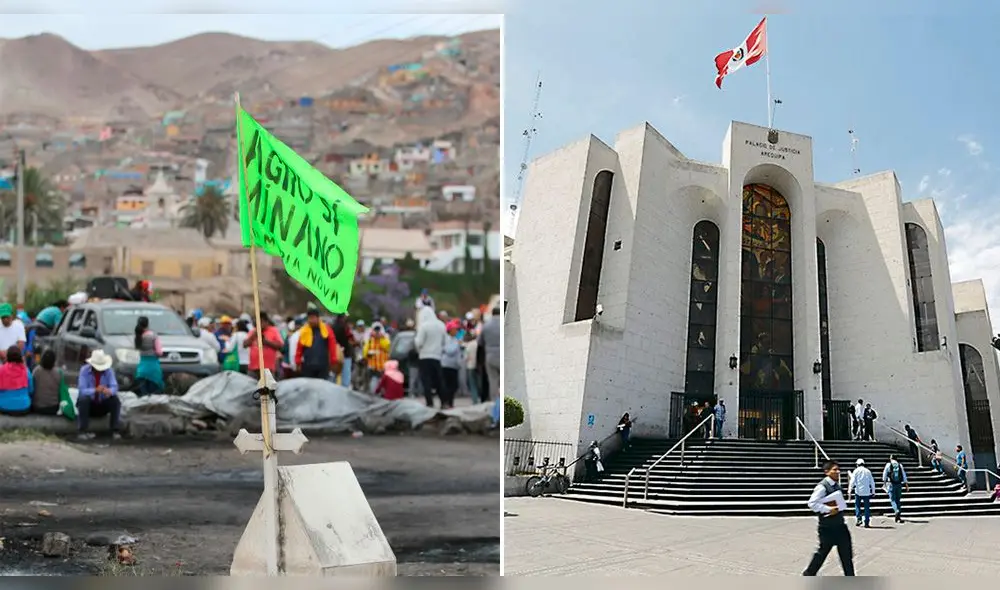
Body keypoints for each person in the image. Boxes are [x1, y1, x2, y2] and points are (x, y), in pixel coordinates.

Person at [803, 460, 855, 576]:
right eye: (834, 470)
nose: (838, 472)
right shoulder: (822, 487)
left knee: (846, 555)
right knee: (821, 554)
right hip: (827, 528)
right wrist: (828, 509)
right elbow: (812, 503)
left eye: (838, 469)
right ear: (826, 471)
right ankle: (808, 574)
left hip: (840, 526)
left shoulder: (836, 485)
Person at [76, 350, 121, 440]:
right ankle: (82, 430)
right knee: (83, 399)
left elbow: (114, 386)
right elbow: (82, 390)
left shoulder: (109, 371)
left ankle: (114, 430)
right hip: (89, 405)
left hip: (102, 403)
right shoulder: (84, 371)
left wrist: (109, 391)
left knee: (115, 400)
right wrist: (95, 390)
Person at [415, 307, 447, 407]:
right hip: (437, 356)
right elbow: (444, 342)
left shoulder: (423, 326)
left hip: (424, 356)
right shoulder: (441, 325)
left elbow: (419, 342)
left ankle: (430, 402)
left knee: (426, 381)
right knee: (439, 380)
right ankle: (443, 401)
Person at [294, 309, 338, 379]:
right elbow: (299, 348)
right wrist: (298, 362)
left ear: (318, 318)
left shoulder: (327, 329)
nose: (311, 320)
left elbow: (332, 346)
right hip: (308, 366)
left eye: (313, 318)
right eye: (310, 318)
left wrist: (333, 361)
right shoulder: (304, 331)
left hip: (323, 366)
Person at [244, 313, 284, 381]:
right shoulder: (253, 331)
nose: (259, 324)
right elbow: (245, 345)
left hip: (268, 369)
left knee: (268, 387)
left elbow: (280, 346)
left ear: (266, 322)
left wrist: (266, 342)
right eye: (257, 322)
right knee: (251, 387)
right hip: (253, 368)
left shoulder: (273, 330)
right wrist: (253, 335)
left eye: (261, 322)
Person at [134, 316, 164, 396]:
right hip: (153, 370)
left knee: (144, 396)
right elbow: (159, 352)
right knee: (154, 396)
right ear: (148, 324)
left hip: (141, 370)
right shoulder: (153, 336)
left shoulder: (138, 336)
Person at [439, 321, 464, 409]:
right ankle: (446, 402)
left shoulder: (455, 340)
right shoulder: (447, 339)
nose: (456, 331)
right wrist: (458, 345)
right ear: (450, 330)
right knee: (448, 385)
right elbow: (450, 350)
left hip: (454, 366)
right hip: (446, 365)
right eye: (454, 329)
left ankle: (450, 402)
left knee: (454, 386)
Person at [0, 346, 32, 415]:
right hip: (24, 407)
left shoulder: (1, 370)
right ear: (20, 356)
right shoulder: (26, 371)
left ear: (7, 356)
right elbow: (31, 390)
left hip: (4, 406)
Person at [478, 306, 501, 402]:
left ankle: (494, 402)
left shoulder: (486, 326)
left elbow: (480, 343)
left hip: (490, 356)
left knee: (493, 380)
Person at [31, 349, 62, 415]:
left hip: (37, 407)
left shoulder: (36, 371)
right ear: (54, 360)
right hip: (53, 408)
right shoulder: (58, 373)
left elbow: (31, 388)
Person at [363, 323, 391, 393]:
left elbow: (387, 347)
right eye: (375, 330)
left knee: (382, 385)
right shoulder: (369, 340)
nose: (377, 332)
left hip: (382, 367)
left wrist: (381, 338)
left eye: (378, 330)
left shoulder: (385, 338)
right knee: (372, 386)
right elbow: (365, 353)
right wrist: (369, 354)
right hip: (372, 367)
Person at [847, 458, 875, 528]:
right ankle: (867, 522)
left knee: (857, 505)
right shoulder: (868, 471)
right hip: (867, 492)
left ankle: (859, 518)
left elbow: (852, 481)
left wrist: (849, 490)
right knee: (867, 507)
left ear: (857, 464)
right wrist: (873, 491)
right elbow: (872, 482)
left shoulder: (856, 471)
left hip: (858, 491)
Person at [882, 455, 909, 523]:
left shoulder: (888, 465)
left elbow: (884, 475)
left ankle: (896, 510)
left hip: (891, 484)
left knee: (893, 499)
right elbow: (904, 475)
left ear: (891, 458)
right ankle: (898, 516)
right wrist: (906, 485)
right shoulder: (900, 465)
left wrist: (884, 483)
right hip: (899, 484)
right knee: (898, 500)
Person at [331, 315, 356, 386]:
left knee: (333, 378)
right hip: (345, 355)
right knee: (345, 380)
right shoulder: (344, 327)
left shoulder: (332, 326)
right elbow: (350, 340)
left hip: (334, 354)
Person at [464, 331, 480, 403]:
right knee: (479, 383)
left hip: (470, 366)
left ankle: (475, 400)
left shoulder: (469, 345)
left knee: (472, 384)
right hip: (478, 366)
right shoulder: (478, 343)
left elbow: (466, 357)